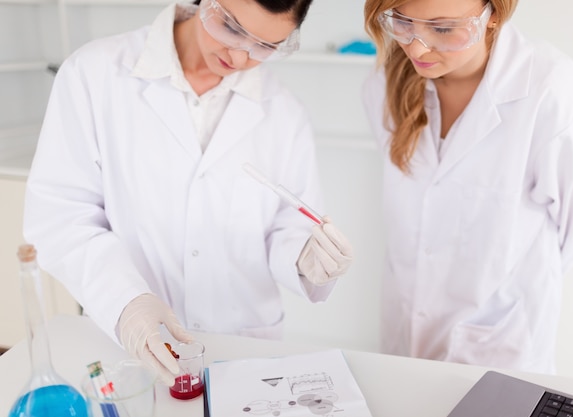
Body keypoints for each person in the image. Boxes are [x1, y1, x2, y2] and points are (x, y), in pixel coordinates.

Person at [23, 0, 353, 385]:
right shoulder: (94, 74)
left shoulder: (285, 113)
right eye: (230, 27)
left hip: (241, 345)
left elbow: (287, 223)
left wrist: (304, 257)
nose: (239, 55)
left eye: (265, 45)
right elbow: (62, 216)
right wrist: (126, 304)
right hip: (126, 347)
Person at [362, 0, 573, 373]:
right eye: (404, 22)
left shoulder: (558, 95)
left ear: (493, 14)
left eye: (442, 29)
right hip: (403, 337)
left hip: (501, 347)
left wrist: (509, 281)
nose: (417, 47)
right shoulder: (383, 86)